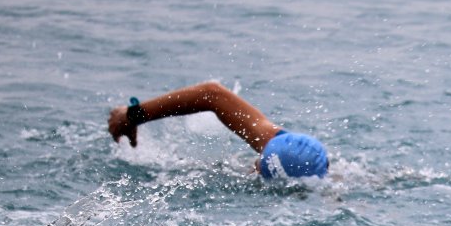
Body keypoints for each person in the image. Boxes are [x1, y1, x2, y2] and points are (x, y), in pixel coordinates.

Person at [107, 81, 329, 179]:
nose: (256, 165)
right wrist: (132, 116)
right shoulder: (282, 147)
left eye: (260, 166)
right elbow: (211, 94)